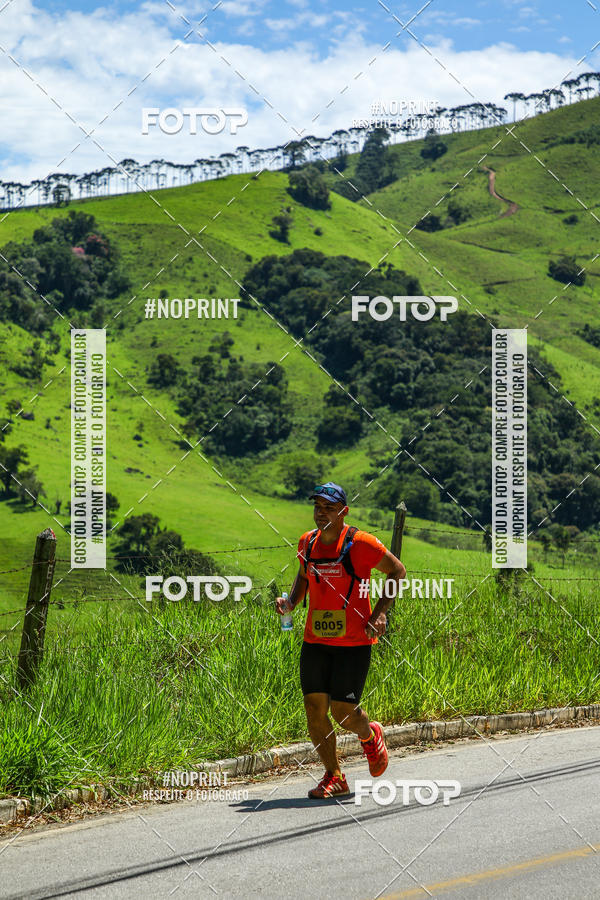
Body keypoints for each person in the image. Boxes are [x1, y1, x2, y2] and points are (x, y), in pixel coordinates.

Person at [276, 482, 407, 799]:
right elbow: (305, 575)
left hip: (353, 642)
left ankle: (369, 732)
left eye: (329, 509)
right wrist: (292, 602)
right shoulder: (307, 543)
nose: (321, 514)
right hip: (316, 641)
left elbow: (397, 571)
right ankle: (334, 776)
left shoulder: (361, 543)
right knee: (314, 709)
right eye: (317, 508)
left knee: (344, 712)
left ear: (344, 511)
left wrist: (378, 613)